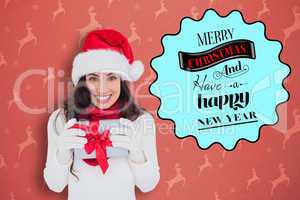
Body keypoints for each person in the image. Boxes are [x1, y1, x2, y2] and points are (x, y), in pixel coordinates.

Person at [43, 29, 160, 200]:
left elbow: (148, 185)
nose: (102, 88)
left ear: (122, 80)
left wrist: (137, 153)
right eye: (93, 78)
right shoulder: (62, 119)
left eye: (111, 77)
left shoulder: (140, 121)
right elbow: (55, 185)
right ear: (83, 80)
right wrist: (62, 152)